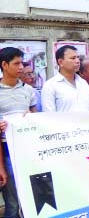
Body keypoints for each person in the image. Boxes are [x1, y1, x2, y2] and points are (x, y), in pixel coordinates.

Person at [0, 47, 37, 217]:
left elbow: (37, 119)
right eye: (17, 63)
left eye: (22, 62)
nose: (21, 67)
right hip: (5, 151)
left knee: (31, 198)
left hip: (27, 149)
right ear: (4, 65)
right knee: (12, 202)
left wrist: (31, 117)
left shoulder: (28, 90)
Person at [42, 45, 89, 112]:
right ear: (60, 62)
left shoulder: (83, 83)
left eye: (78, 58)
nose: (77, 61)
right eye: (73, 58)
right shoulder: (50, 85)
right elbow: (49, 116)